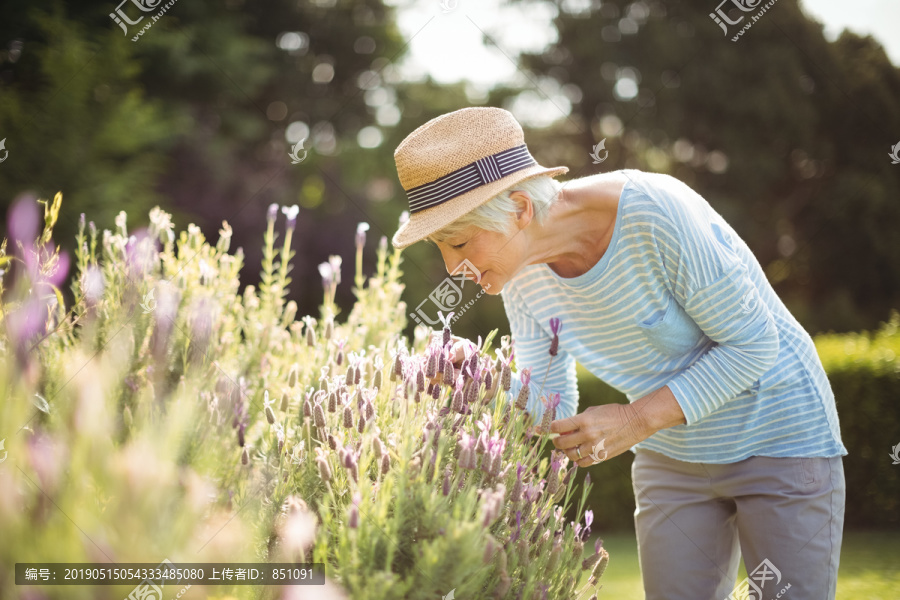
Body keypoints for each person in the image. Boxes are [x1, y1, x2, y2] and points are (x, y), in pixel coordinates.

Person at [390, 107, 848, 600]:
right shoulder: (521, 280)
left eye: (458, 242)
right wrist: (479, 380)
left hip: (779, 436)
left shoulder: (653, 212)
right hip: (672, 457)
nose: (453, 267)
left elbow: (754, 344)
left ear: (521, 209)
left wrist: (634, 420)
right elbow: (552, 405)